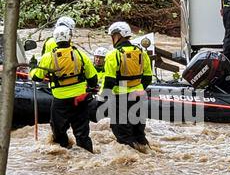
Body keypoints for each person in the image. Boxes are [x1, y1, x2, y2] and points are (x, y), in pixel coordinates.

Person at [30, 25, 98, 153]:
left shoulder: (48, 57)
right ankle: (88, 156)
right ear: (70, 38)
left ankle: (64, 153)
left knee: (59, 131)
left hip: (60, 101)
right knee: (82, 133)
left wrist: (33, 66)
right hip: (79, 99)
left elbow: (36, 77)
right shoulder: (80, 55)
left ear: (55, 39)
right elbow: (93, 80)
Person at [101, 21, 152, 151]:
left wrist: (103, 97)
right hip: (138, 96)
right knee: (138, 133)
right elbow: (147, 77)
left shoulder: (113, 54)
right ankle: (146, 156)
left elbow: (109, 80)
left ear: (118, 36)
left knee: (123, 135)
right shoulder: (141, 52)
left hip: (120, 98)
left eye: (113, 36)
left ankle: (128, 168)